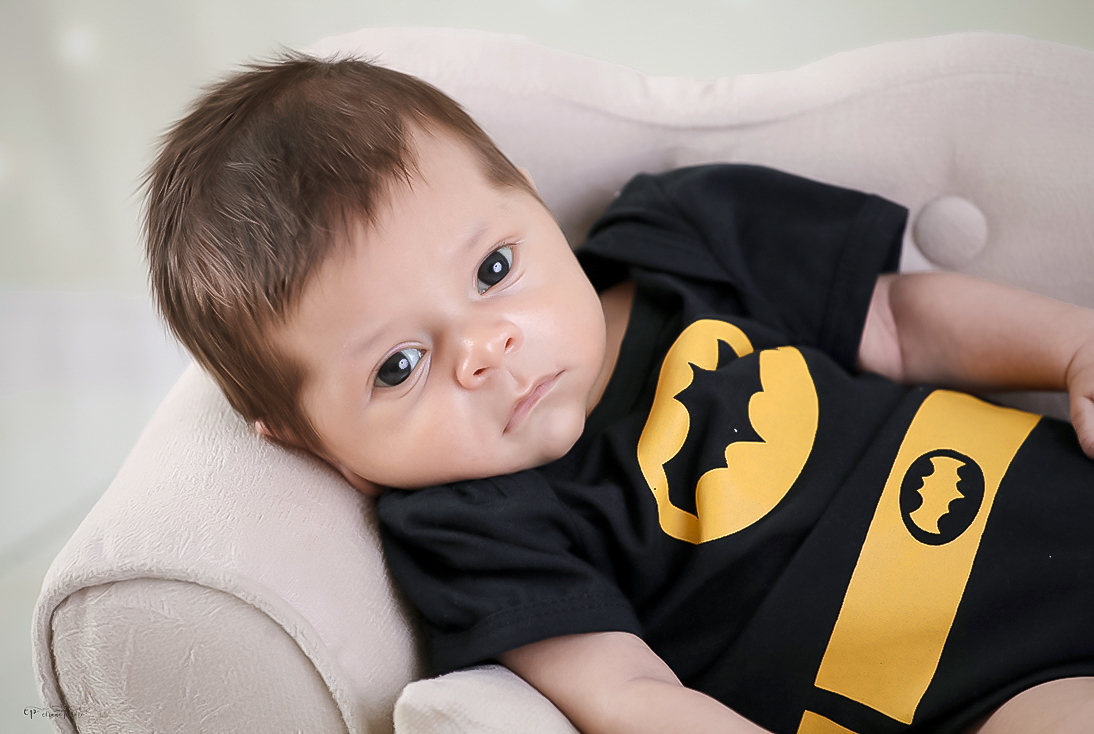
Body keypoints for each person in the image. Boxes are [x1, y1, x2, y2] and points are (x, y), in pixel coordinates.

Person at [145, 54, 1094, 734]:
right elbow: (630, 695)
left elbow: (898, 321)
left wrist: (1073, 349)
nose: (486, 350)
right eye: (399, 366)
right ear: (308, 438)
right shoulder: (472, 530)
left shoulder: (680, 242)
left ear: (529, 200)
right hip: (982, 687)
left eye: (494, 269)